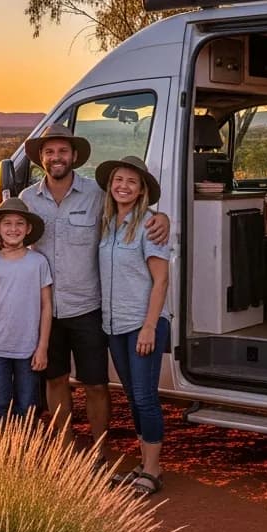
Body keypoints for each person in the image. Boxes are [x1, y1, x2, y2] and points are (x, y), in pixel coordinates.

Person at [0, 123, 170, 466]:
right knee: (55, 381)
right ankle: (66, 450)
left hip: (88, 307)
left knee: (95, 384)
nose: (57, 157)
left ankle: (99, 451)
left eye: (63, 151)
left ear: (75, 156)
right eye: (50, 152)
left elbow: (129, 215)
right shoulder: (27, 199)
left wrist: (162, 218)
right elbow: (13, 236)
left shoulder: (96, 195)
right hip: (45, 312)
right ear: (40, 158)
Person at [95, 155, 170, 497]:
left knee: (145, 397)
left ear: (141, 191)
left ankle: (153, 470)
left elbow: (161, 280)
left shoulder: (150, 225)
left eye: (131, 182)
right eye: (118, 180)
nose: (123, 186)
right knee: (132, 397)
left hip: (142, 325)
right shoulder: (108, 223)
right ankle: (142, 463)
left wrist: (150, 326)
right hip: (115, 325)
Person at [0, 199, 52, 420]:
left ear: (28, 229)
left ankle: (25, 450)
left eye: (20, 223)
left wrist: (42, 347)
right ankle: (2, 451)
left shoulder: (38, 262)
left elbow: (46, 306)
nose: (13, 229)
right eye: (7, 223)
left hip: (28, 349)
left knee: (27, 405)